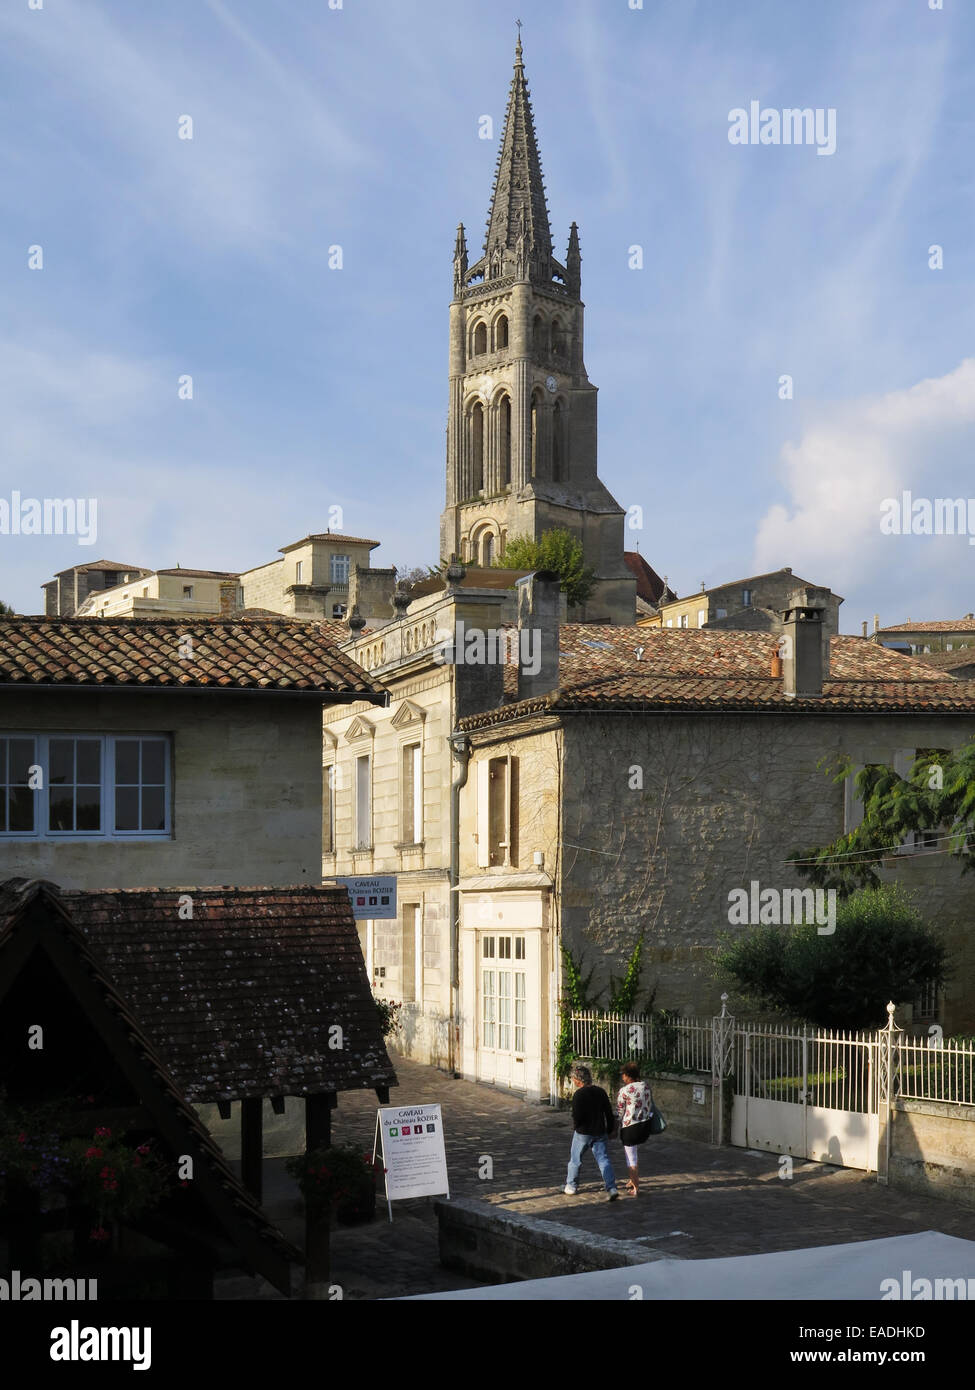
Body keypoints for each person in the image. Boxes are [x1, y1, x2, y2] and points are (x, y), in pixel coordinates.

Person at [564, 1064, 619, 1200]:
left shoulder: (578, 1095)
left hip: (583, 1132)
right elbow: (608, 1112)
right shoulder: (601, 1092)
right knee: (603, 1160)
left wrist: (576, 1126)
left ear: (578, 1080)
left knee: (575, 1160)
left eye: (573, 1079)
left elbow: (576, 1115)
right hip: (599, 1131)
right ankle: (611, 1187)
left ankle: (571, 1185)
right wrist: (611, 1129)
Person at [615, 1061, 655, 1196]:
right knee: (634, 1155)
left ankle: (636, 1187)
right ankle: (632, 1180)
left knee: (630, 1158)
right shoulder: (646, 1086)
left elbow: (620, 1111)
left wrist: (615, 1125)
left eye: (623, 1075)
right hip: (645, 1125)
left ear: (628, 1075)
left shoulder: (625, 1090)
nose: (622, 1077)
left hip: (630, 1127)